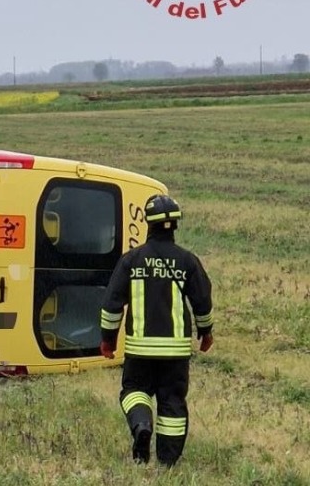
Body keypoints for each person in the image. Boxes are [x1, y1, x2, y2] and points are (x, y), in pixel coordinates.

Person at [99, 194, 214, 467]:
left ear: (148, 224)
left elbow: (112, 304)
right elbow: (202, 300)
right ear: (175, 224)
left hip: (140, 349)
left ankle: (141, 424)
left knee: (133, 390)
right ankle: (168, 462)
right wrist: (206, 331)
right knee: (172, 401)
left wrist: (107, 339)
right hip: (175, 352)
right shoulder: (188, 261)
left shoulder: (131, 260)